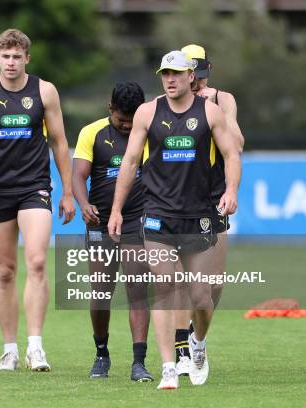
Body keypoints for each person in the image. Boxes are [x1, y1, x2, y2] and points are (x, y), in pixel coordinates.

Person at [108, 50, 241, 389]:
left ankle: (197, 342)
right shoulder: (147, 112)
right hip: (157, 216)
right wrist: (117, 209)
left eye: (176, 74)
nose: (170, 79)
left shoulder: (210, 112)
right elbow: (130, 162)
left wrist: (232, 190)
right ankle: (169, 366)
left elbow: (230, 153)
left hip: (199, 216)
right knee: (165, 287)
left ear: (190, 76)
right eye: (165, 74)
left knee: (201, 296)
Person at [0, 28, 76, 372]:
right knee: (5, 271)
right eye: (5, 56)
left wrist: (68, 190)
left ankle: (36, 347)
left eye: (17, 57)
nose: (11, 62)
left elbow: (59, 142)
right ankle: (9, 350)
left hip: (35, 187)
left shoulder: (44, 91)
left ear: (27, 58)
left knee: (38, 262)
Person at [172, 44, 245, 376]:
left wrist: (208, 116)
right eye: (192, 77)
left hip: (213, 199)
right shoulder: (171, 103)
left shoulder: (220, 100)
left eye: (200, 77)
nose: (196, 83)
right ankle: (183, 347)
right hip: (179, 201)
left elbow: (238, 145)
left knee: (213, 286)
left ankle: (196, 336)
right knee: (186, 282)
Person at [72, 82, 152, 382]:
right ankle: (101, 353)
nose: (128, 125)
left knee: (136, 290)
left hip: (137, 221)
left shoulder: (150, 132)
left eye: (133, 120)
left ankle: (139, 362)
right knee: (101, 294)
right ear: (110, 110)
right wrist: (83, 203)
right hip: (100, 223)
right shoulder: (91, 133)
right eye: (122, 119)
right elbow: (78, 175)